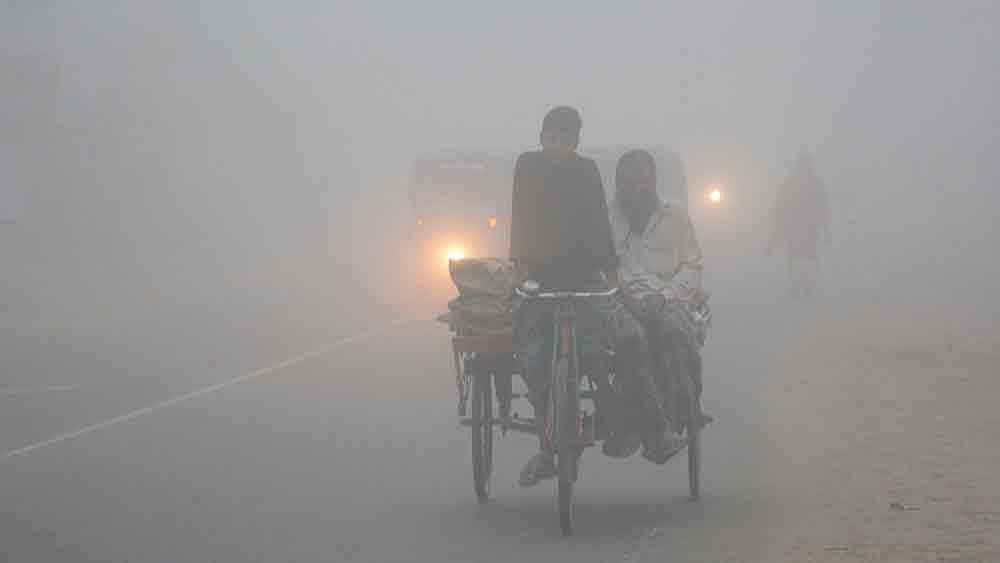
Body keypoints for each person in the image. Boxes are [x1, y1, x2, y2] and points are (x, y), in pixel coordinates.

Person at [510, 108, 683, 486]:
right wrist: (520, 267)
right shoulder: (526, 166)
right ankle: (546, 449)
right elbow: (519, 216)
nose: (557, 146)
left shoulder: (586, 171)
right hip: (539, 282)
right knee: (534, 362)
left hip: (586, 278)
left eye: (565, 140)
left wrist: (610, 274)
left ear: (576, 143)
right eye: (552, 138)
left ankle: (651, 428)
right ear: (541, 137)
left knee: (622, 342)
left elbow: (598, 224)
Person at [609, 149, 711, 443]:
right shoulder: (606, 217)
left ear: (652, 182)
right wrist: (628, 298)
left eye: (642, 182)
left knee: (675, 331)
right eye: (628, 183)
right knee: (628, 339)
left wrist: (664, 296)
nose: (635, 190)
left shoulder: (676, 215)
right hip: (622, 301)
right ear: (618, 184)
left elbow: (692, 266)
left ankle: (686, 402)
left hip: (669, 299)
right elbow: (605, 269)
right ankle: (629, 410)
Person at [767, 153, 832, 299]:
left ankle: (807, 285)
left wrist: (827, 231)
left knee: (806, 256)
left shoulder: (812, 184)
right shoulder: (796, 184)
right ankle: (799, 285)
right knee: (798, 256)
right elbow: (780, 207)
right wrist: (774, 235)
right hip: (797, 227)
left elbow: (824, 207)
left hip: (807, 227)